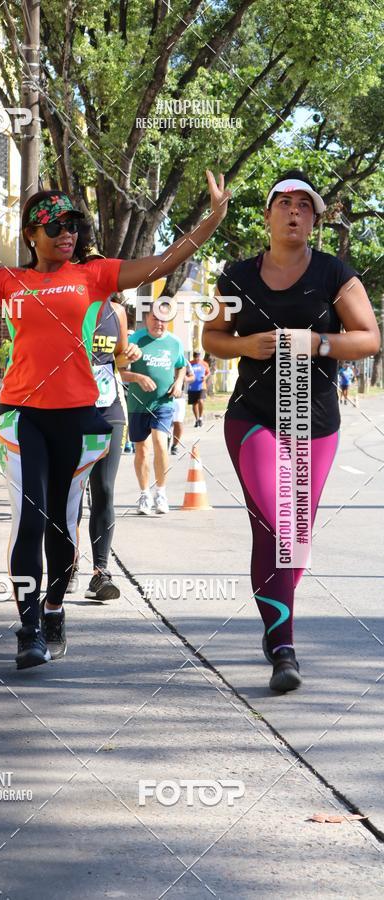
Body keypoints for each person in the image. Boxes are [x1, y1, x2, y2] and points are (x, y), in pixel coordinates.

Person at [0, 170, 230, 669]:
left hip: (81, 418)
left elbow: (162, 261)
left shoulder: (95, 275)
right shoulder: (8, 280)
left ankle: (55, 609)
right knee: (30, 519)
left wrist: (212, 218)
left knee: (63, 526)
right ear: (30, 235)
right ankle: (29, 627)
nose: (68, 232)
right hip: (22, 416)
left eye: (73, 224)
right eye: (55, 224)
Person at [203, 169, 380, 693]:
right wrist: (245, 346)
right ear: (268, 214)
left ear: (315, 220)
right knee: (277, 525)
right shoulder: (236, 277)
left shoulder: (334, 275)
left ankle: (274, 623)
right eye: (286, 203)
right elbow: (213, 336)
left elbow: (369, 338)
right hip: (254, 415)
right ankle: (284, 648)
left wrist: (318, 344)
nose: (295, 212)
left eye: (306, 206)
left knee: (293, 542)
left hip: (313, 419)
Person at [71, 293, 141, 601]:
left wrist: (131, 353)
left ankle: (100, 573)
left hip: (109, 408)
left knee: (105, 489)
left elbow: (119, 357)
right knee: (70, 492)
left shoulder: (117, 311)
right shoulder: (66, 305)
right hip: (70, 409)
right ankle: (67, 564)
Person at [127, 304, 189, 514]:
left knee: (161, 444)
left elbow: (181, 366)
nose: (159, 323)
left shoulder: (174, 343)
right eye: (155, 318)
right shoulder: (135, 340)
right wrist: (138, 377)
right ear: (147, 319)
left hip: (163, 402)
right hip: (137, 404)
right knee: (142, 450)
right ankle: (145, 494)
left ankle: (161, 492)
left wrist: (179, 382)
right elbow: (119, 370)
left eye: (163, 319)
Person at [170, 356, 195, 454]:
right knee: (164, 423)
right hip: (162, 397)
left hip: (179, 397)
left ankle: (174, 445)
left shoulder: (183, 360)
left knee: (178, 422)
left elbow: (192, 376)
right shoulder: (160, 357)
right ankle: (164, 443)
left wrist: (185, 378)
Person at [188, 350, 210, 427]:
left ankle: (200, 418)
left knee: (200, 401)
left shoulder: (204, 364)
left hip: (202, 386)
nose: (197, 358)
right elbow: (186, 372)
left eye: (198, 356)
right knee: (194, 404)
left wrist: (205, 377)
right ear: (193, 356)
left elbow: (208, 373)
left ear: (200, 356)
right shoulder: (190, 364)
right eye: (195, 356)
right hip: (192, 387)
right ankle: (197, 420)